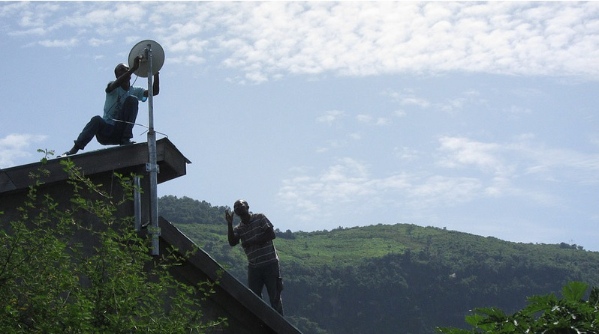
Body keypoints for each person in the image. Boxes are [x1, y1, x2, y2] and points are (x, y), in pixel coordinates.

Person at [63, 56, 160, 156]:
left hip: (120, 132)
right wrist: (133, 68)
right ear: (117, 75)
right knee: (96, 119)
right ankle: (74, 150)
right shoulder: (112, 86)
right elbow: (116, 84)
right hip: (107, 132)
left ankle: (125, 139)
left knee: (132, 99)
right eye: (122, 70)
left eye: (127, 69)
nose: (126, 71)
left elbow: (154, 91)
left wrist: (156, 72)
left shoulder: (135, 91)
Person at [225, 199, 284, 315]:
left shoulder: (260, 217)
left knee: (275, 297)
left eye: (240, 205)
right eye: (235, 207)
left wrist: (251, 242)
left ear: (247, 207)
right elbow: (232, 242)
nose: (237, 207)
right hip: (254, 267)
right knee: (254, 299)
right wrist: (229, 224)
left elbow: (271, 234)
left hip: (270, 263)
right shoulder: (239, 229)